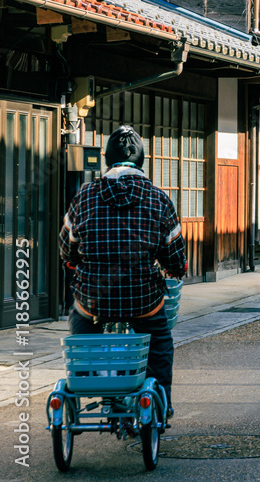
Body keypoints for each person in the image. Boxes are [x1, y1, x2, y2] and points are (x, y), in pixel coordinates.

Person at [59, 125, 187, 416]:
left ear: (106, 159)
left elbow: (67, 246)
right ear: (141, 161)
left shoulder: (85, 196)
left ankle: (92, 385)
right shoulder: (159, 199)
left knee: (81, 323)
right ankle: (160, 405)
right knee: (160, 342)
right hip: (142, 298)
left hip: (93, 297)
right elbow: (175, 255)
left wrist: (73, 260)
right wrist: (175, 268)